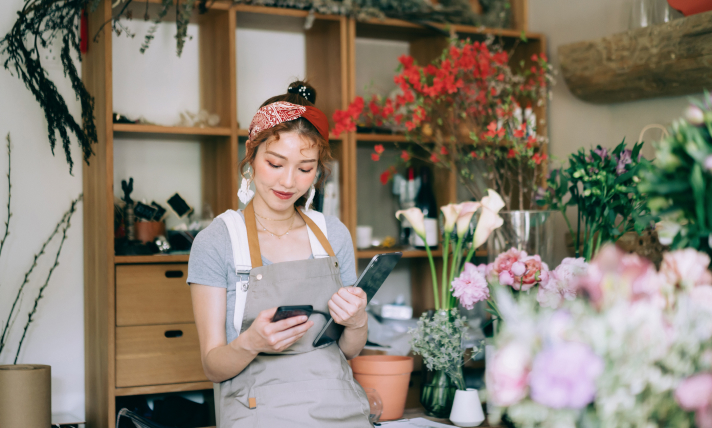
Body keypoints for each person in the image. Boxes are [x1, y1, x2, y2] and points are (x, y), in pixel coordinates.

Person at [187, 81, 372, 428]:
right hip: (258, 411)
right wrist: (251, 343)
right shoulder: (218, 241)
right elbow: (212, 366)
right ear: (252, 157)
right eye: (275, 163)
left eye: (305, 169)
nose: (289, 182)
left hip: (338, 407)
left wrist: (358, 321)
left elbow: (347, 350)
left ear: (318, 171)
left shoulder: (333, 235)